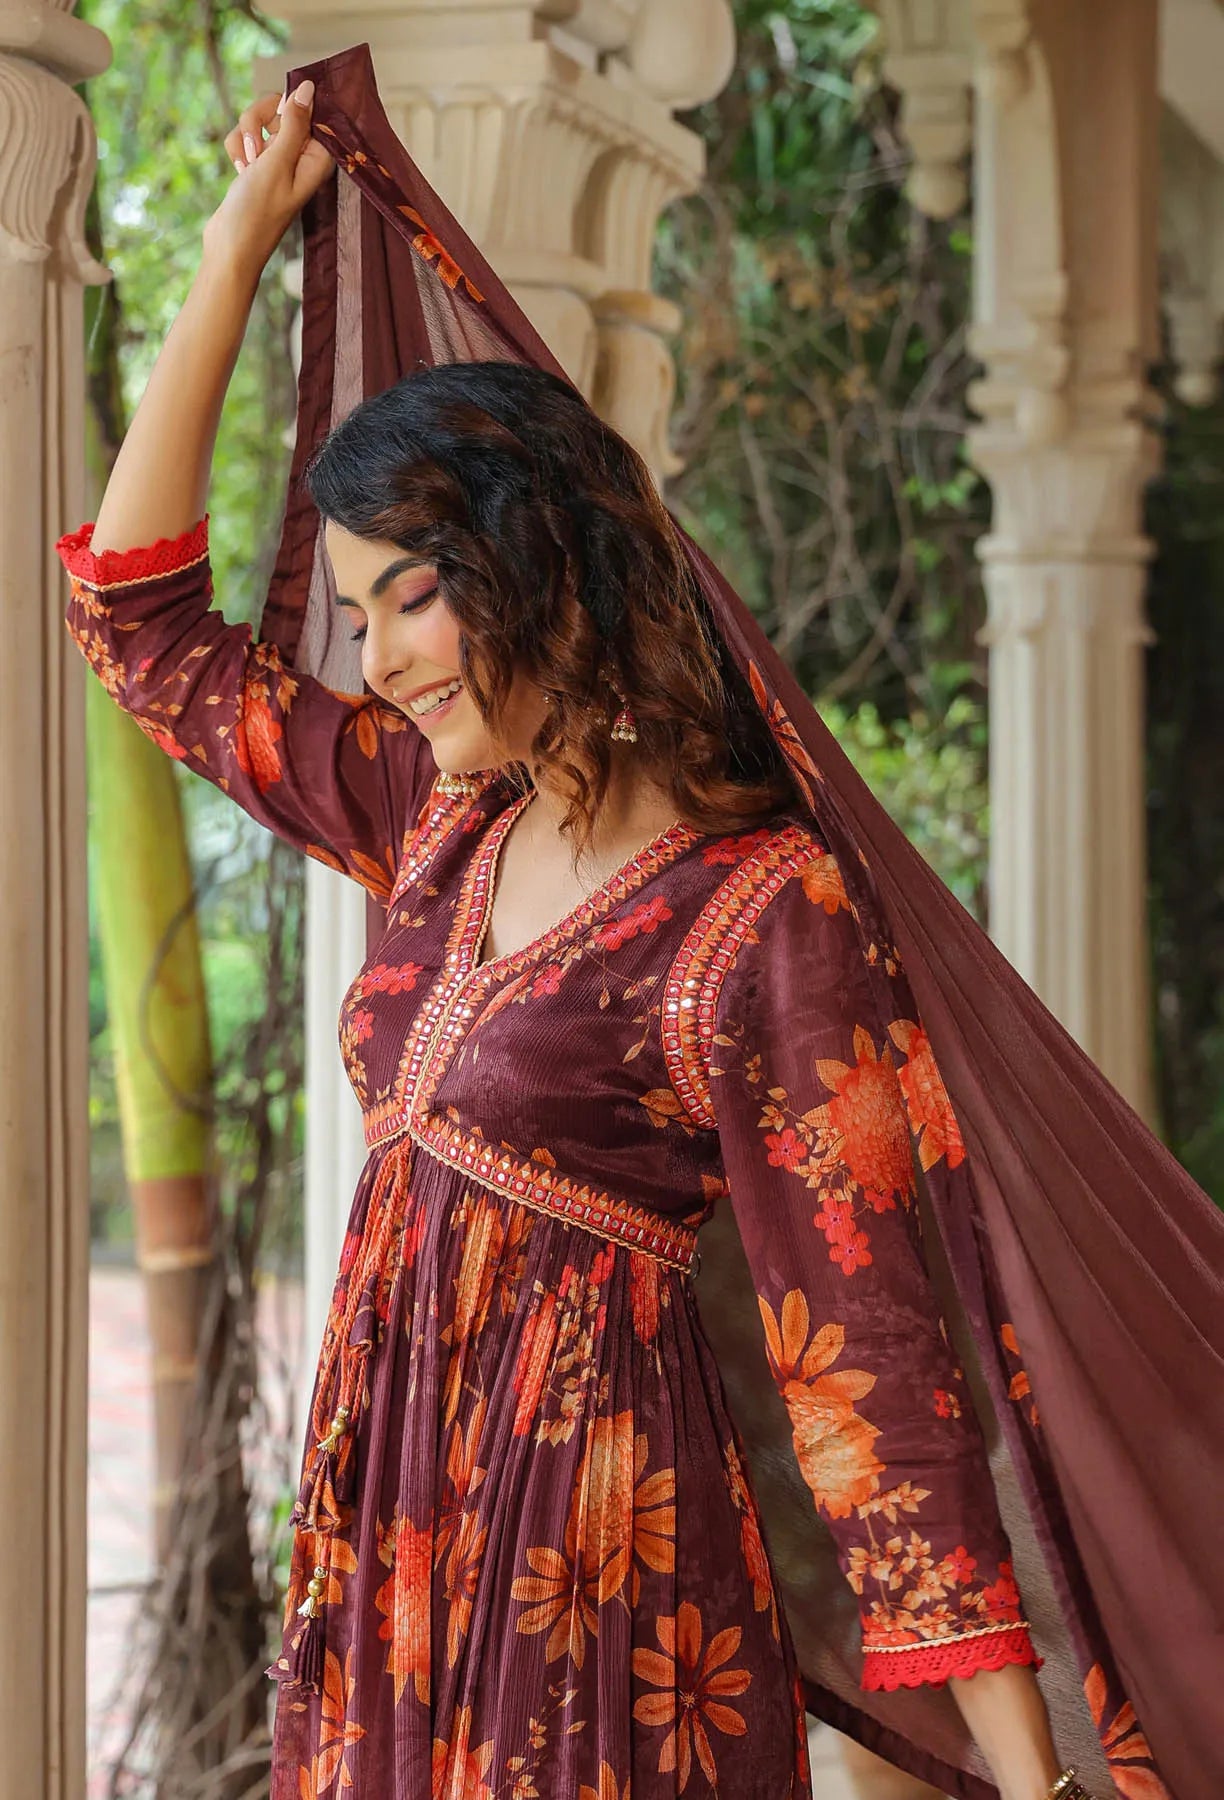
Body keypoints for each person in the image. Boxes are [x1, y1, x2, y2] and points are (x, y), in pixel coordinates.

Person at [57, 58, 1218, 1800]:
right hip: (386, 1554)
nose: (378, 660)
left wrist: (1029, 1780)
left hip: (600, 1580)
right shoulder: (434, 820)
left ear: (539, 563)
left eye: (415, 599)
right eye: (356, 610)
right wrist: (235, 243)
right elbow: (137, 627)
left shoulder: (762, 918)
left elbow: (876, 1382)